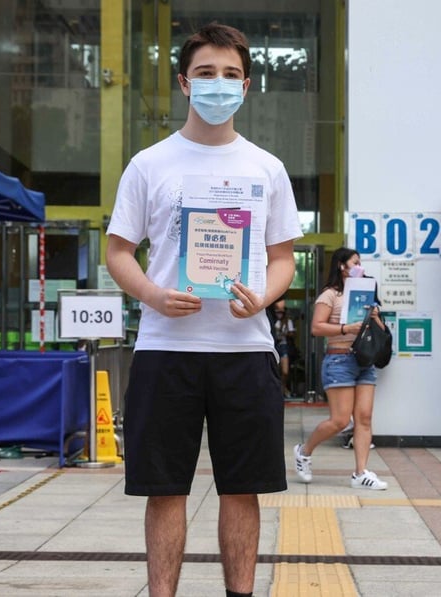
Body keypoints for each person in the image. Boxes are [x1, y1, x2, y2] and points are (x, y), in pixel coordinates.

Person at [105, 23, 302, 597]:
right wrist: (152, 295)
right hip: (166, 348)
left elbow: (283, 259)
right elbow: (118, 252)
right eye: (206, 74)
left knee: (244, 488)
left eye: (231, 75)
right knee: (165, 489)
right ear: (184, 84)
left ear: (248, 85)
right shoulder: (150, 164)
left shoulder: (267, 168)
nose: (219, 85)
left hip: (245, 350)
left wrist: (262, 298)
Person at [294, 247, 388, 490]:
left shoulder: (367, 292)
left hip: (364, 361)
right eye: (355, 262)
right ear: (341, 266)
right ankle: (304, 451)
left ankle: (360, 473)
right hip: (339, 361)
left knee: (364, 418)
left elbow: (378, 329)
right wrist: (346, 329)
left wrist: (375, 315)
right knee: (339, 420)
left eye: (360, 262)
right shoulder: (330, 295)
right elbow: (316, 328)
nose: (360, 266)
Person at [268, 298, 296, 397]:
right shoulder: (271, 320)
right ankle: (277, 389)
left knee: (285, 370)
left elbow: (292, 334)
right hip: (273, 345)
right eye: (277, 312)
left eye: (281, 312)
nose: (279, 313)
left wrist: (286, 332)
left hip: (283, 345)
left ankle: (283, 387)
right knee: (274, 369)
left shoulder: (287, 321)